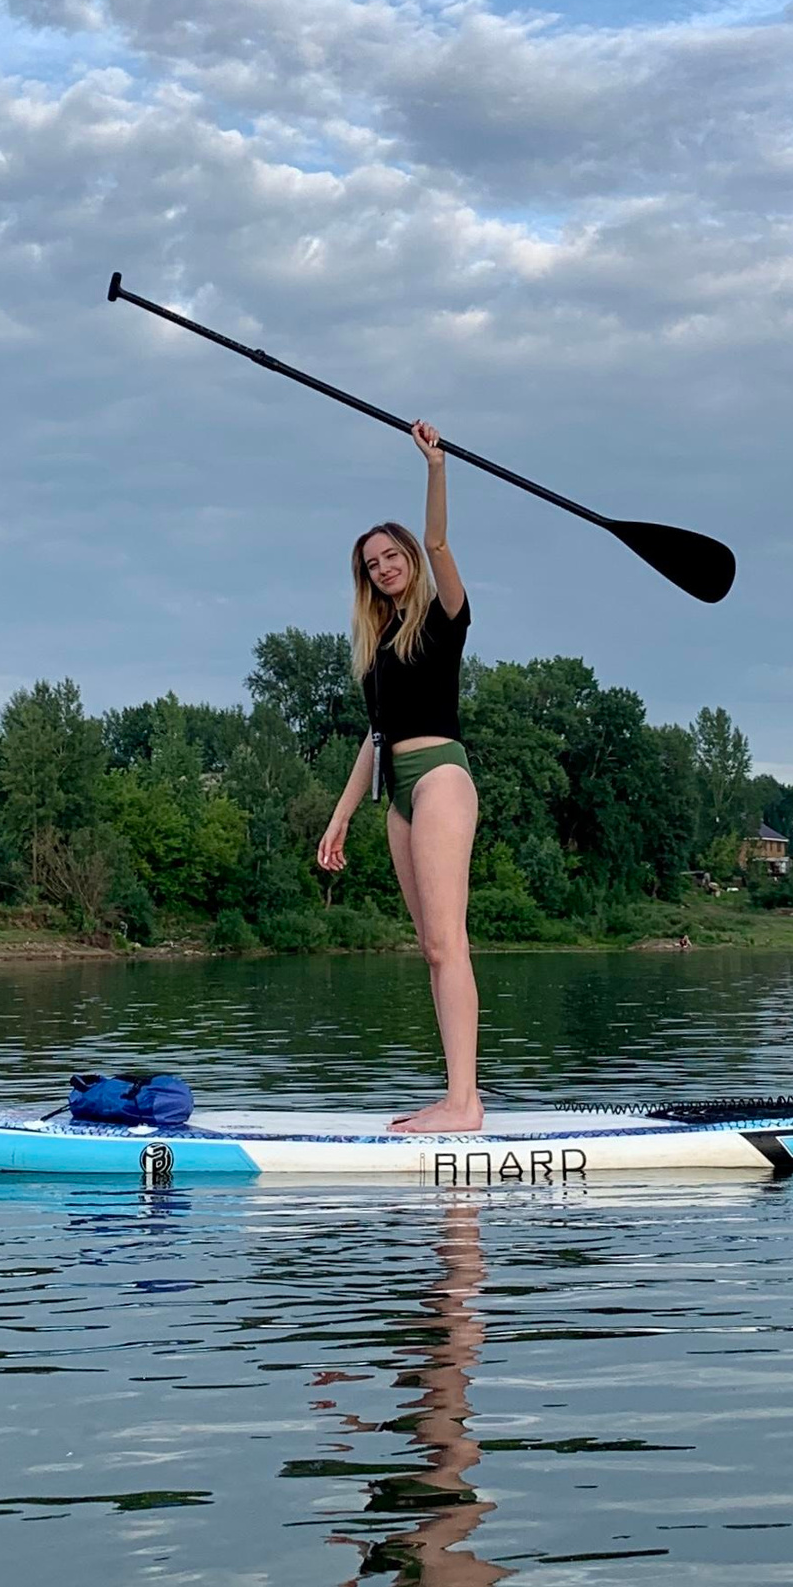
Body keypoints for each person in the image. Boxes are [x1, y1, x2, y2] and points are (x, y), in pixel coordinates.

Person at [316, 422, 481, 1132]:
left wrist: (435, 466)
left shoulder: (444, 619)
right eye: (371, 563)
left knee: (450, 943)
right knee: (429, 947)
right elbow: (373, 738)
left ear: (409, 558)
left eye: (391, 555)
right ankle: (459, 1094)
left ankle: (464, 1103)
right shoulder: (378, 646)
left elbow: (440, 542)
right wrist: (341, 814)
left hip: (441, 777)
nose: (384, 567)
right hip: (398, 795)